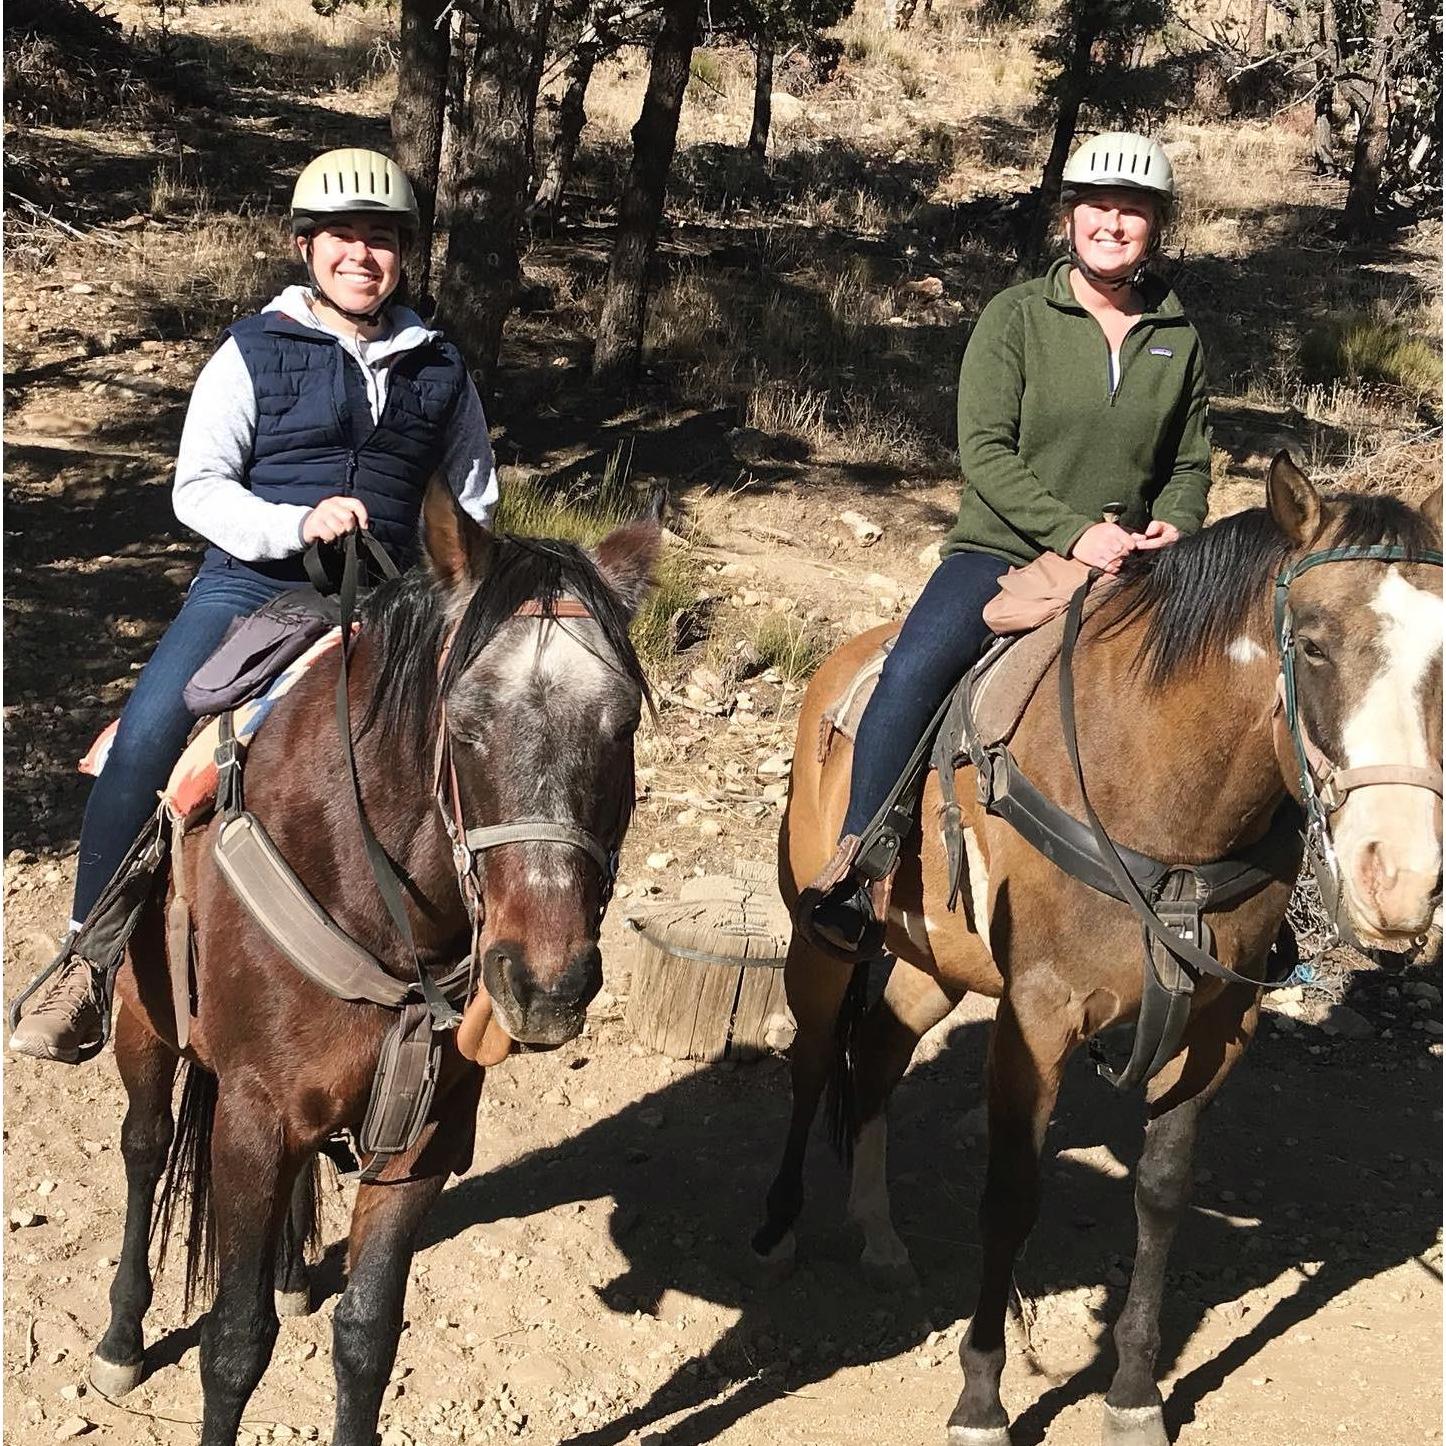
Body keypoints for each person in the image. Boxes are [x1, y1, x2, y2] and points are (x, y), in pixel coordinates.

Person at [10, 147, 500, 1062]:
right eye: (343, 237)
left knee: (505, 740)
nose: (364, 255)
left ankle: (496, 955)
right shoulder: (252, 350)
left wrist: (455, 587)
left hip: (394, 602)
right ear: (305, 246)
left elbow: (475, 497)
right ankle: (87, 959)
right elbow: (196, 488)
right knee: (152, 735)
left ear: (406, 253)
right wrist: (295, 522)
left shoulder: (441, 366)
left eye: (383, 240)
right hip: (252, 588)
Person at [807, 132, 1211, 958]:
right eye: (1099, 206)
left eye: (1132, 212)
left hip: (1133, 563)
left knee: (1228, 679)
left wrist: (1180, 518)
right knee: (913, 670)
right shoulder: (1017, 316)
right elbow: (985, 450)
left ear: (1156, 227)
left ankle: (1229, 895)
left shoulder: (1178, 333)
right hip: (1003, 549)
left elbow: (1190, 460)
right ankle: (860, 862)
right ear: (1071, 217)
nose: (1114, 223)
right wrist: (1074, 532)